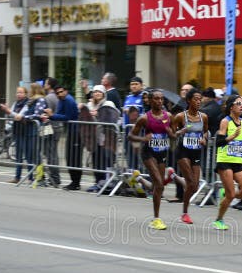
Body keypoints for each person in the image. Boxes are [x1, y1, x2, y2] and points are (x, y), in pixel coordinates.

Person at [128, 90, 173, 230]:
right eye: (156, 99)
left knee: (157, 187)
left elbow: (173, 134)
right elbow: (131, 136)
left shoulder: (169, 116)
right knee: (159, 184)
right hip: (148, 153)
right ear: (151, 101)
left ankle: (139, 179)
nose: (159, 101)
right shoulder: (144, 118)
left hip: (162, 153)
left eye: (161, 99)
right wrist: (143, 139)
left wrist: (174, 134)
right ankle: (156, 219)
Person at [213, 95, 242, 230]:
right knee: (231, 195)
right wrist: (231, 137)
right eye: (238, 104)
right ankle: (219, 219)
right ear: (231, 107)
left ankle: (227, 195)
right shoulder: (225, 121)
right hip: (225, 161)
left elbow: (239, 142)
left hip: (238, 160)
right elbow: (218, 143)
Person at [171, 88, 209, 224]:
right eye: (196, 99)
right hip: (183, 151)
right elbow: (172, 134)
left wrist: (205, 138)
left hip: (196, 152)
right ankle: (185, 213)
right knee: (191, 182)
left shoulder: (203, 117)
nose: (199, 102)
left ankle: (174, 176)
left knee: (194, 187)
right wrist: (181, 131)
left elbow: (206, 132)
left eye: (200, 99)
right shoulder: (180, 116)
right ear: (188, 100)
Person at [79, 84, 121, 192]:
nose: (97, 93)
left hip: (107, 138)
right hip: (93, 138)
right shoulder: (90, 104)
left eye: (99, 92)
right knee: (95, 161)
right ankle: (97, 182)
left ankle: (106, 184)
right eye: (95, 92)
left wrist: (99, 114)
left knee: (105, 161)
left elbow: (113, 117)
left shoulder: (108, 103)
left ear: (103, 94)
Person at [44, 85, 81, 190]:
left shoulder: (68, 100)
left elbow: (67, 117)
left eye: (61, 91)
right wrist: (50, 115)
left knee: (74, 158)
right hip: (70, 130)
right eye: (57, 93)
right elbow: (59, 113)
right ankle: (74, 182)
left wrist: (52, 116)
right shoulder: (61, 100)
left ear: (66, 91)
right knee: (69, 157)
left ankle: (75, 182)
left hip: (76, 131)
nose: (59, 94)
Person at [0, 85, 33, 184]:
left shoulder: (28, 103)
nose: (18, 94)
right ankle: (17, 177)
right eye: (17, 92)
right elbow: (12, 115)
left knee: (28, 156)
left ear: (25, 94)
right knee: (18, 155)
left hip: (26, 132)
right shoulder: (16, 103)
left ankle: (30, 178)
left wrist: (9, 111)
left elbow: (19, 116)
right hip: (17, 131)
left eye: (21, 92)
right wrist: (8, 111)